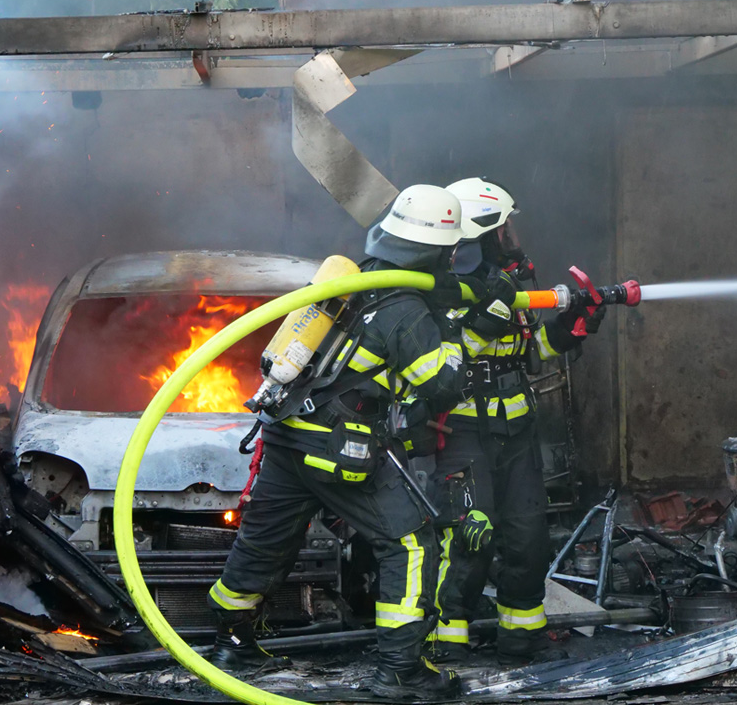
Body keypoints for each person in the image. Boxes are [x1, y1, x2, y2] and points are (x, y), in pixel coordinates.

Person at [208, 184, 501, 699]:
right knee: (410, 545)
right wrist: (454, 327)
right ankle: (401, 671)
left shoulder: (355, 280)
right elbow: (441, 384)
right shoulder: (405, 308)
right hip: (337, 448)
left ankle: (231, 644)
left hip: (287, 437)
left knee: (264, 541)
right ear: (443, 250)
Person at [427, 177, 605, 666]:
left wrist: (569, 330)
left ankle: (521, 639)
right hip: (461, 434)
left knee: (528, 539)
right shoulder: (440, 289)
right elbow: (445, 362)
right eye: (504, 230)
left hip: (517, 432)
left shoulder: (507, 287)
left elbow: (527, 351)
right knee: (470, 536)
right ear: (481, 234)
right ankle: (447, 642)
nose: (512, 240)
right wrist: (488, 313)